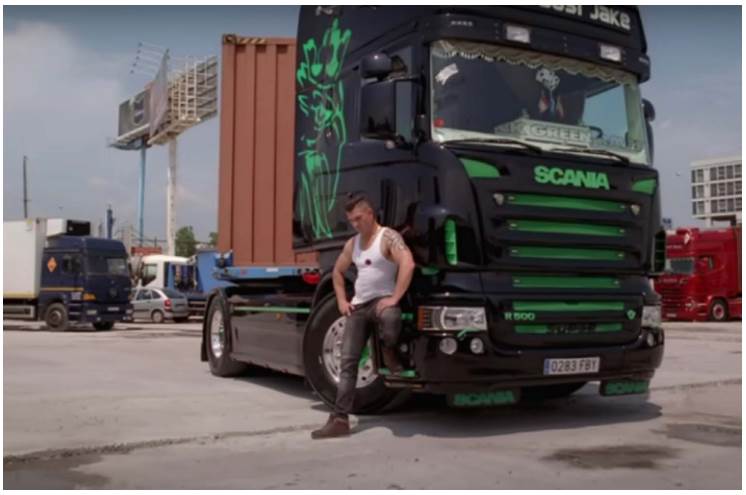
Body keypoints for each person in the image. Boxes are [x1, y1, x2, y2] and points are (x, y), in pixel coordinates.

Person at [311, 194, 416, 439]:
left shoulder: (388, 237)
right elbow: (337, 272)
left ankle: (389, 353)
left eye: (358, 218)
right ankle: (340, 420)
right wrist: (341, 301)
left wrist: (395, 297)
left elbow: (408, 263)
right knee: (348, 363)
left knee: (391, 319)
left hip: (382, 302)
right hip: (358, 307)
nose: (355, 224)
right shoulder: (353, 244)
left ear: (370, 213)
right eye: (351, 220)